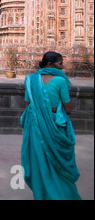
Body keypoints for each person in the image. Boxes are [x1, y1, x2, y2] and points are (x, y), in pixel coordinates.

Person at [21, 51, 81, 200]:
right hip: (55, 125)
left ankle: (42, 194)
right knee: (57, 162)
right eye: (60, 64)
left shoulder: (30, 80)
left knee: (39, 161)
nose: (63, 67)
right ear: (50, 64)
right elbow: (68, 109)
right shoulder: (60, 81)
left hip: (36, 126)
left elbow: (28, 105)